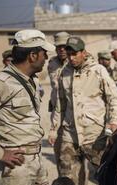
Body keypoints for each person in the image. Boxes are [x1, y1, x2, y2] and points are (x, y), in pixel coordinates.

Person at [48, 36, 117, 185]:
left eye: (75, 54)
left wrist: (114, 122)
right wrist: (54, 129)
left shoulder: (98, 71)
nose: (72, 58)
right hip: (70, 134)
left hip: (95, 135)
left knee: (107, 173)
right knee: (67, 178)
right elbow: (60, 104)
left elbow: (115, 98)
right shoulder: (64, 73)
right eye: (69, 54)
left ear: (83, 52)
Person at [0, 29, 55, 185]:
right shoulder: (2, 83)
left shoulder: (32, 81)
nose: (46, 57)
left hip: (35, 161)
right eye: (44, 53)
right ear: (33, 55)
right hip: (15, 168)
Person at [47, 31, 70, 174]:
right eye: (58, 46)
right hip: (57, 114)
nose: (61, 49)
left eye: (64, 46)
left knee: (72, 159)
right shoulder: (52, 63)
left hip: (73, 116)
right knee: (59, 156)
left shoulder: (76, 62)